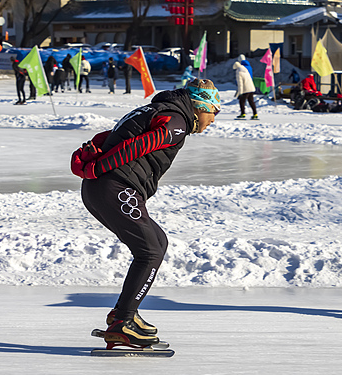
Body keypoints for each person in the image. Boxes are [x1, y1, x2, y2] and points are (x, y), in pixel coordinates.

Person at [72, 79, 222, 349]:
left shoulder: (158, 110)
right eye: (214, 111)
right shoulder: (176, 123)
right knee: (150, 250)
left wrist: (95, 171)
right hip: (113, 187)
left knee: (158, 241)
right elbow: (134, 147)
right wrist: (97, 169)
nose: (213, 119)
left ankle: (123, 313)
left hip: (101, 189)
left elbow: (112, 136)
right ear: (200, 106)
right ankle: (123, 322)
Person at [233, 54, 259, 120]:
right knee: (251, 101)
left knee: (242, 101)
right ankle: (255, 114)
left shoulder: (238, 72)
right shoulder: (245, 69)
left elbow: (240, 83)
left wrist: (240, 93)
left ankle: (243, 114)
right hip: (251, 88)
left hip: (245, 89)